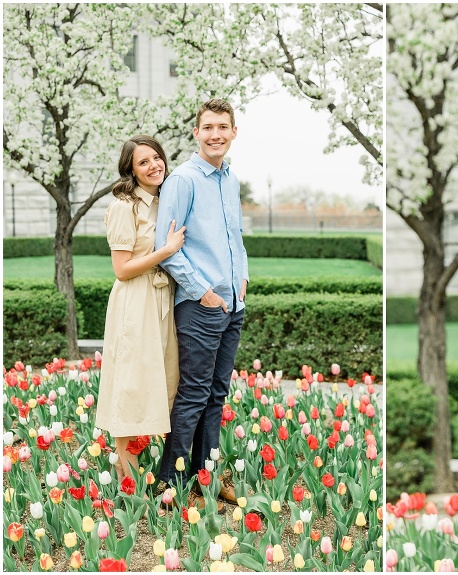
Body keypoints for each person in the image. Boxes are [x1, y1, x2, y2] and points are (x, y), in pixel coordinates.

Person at [155, 99, 248, 506]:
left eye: (223, 127)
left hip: (233, 306)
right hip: (200, 305)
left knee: (217, 395)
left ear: (233, 132)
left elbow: (235, 236)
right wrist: (203, 292)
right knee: (193, 393)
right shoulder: (183, 180)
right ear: (196, 133)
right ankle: (169, 483)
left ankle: (205, 476)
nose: (216, 134)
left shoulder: (230, 178)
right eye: (208, 127)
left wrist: (242, 278)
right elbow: (167, 248)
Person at [95, 135, 184, 482]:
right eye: (143, 162)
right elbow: (121, 268)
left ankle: (153, 469)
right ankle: (128, 478)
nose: (153, 166)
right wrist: (165, 251)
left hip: (165, 298)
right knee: (131, 383)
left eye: (156, 158)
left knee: (164, 381)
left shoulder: (167, 200)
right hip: (136, 301)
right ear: (130, 170)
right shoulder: (124, 207)